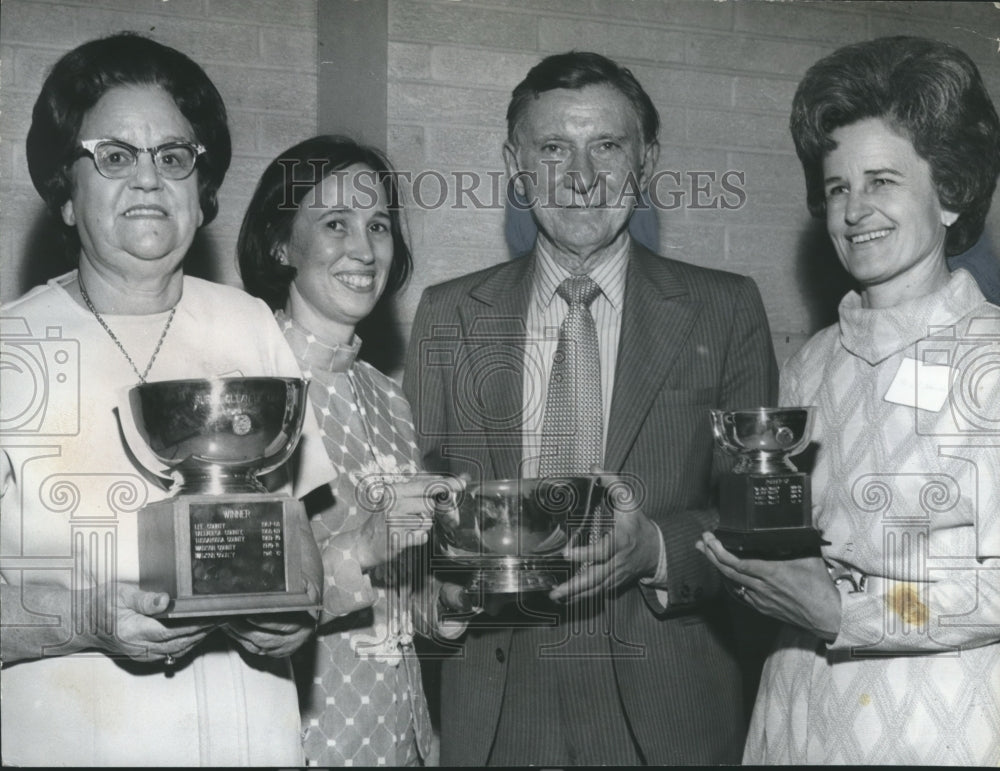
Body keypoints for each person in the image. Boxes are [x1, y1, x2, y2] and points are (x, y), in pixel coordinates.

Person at [402, 51, 779, 766]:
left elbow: (756, 508)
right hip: (498, 697)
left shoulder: (726, 308)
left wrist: (656, 547)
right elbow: (418, 517)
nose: (580, 177)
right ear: (515, 164)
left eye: (607, 145)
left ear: (647, 161)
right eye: (552, 149)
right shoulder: (447, 313)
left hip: (667, 699)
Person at [0, 33, 334, 766]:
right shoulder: (11, 346)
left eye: (174, 156)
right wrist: (85, 618)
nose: (149, 179)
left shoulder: (251, 327)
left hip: (254, 741)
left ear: (199, 187)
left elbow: (302, 540)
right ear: (65, 189)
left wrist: (298, 611)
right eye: (114, 156)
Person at [699, 36, 1000, 765]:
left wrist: (849, 612)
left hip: (939, 725)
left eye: (883, 181)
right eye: (839, 187)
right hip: (800, 714)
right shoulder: (811, 363)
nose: (856, 210)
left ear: (951, 192)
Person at [238, 135, 462, 766]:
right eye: (335, 223)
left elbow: (393, 599)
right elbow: (245, 602)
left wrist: (447, 601)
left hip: (406, 736)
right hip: (302, 738)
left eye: (378, 225)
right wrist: (362, 546)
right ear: (282, 243)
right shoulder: (248, 390)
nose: (364, 249)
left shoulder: (391, 400)